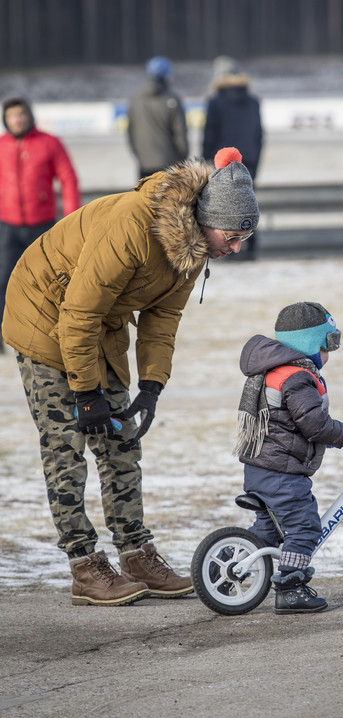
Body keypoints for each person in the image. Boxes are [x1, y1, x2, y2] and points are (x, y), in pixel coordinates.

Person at [2, 146, 259, 606]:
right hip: (44, 315)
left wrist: (152, 386)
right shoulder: (132, 226)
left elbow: (163, 318)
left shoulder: (195, 246)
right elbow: (78, 312)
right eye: (233, 236)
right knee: (67, 444)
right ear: (208, 218)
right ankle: (84, 565)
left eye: (244, 238)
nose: (236, 248)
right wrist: (85, 393)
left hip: (98, 324)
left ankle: (136, 553)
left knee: (121, 442)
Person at [234, 301, 343, 614]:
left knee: (268, 531)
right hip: (281, 473)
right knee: (305, 527)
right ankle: (291, 588)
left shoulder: (274, 370)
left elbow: (296, 422)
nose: (330, 354)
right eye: (328, 344)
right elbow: (314, 423)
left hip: (260, 468)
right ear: (309, 344)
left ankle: (232, 570)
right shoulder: (297, 377)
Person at [0, 94, 80, 351]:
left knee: (49, 282)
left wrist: (69, 219)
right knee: (4, 280)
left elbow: (68, 180)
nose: (17, 119)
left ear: (29, 116)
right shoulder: (1, 145)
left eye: (21, 114)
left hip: (42, 225)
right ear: (6, 119)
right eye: (12, 115)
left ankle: (51, 333)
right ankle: (4, 334)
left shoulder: (49, 143)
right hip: (7, 225)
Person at [202, 56, 263, 261]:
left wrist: (206, 160)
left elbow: (209, 134)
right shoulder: (253, 101)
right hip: (249, 161)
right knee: (248, 204)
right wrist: (256, 160)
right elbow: (259, 135)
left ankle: (228, 249)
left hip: (222, 162)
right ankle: (251, 248)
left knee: (226, 208)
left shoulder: (215, 102)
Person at [127, 56, 189, 179]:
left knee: (145, 197)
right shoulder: (172, 99)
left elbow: (130, 132)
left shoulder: (135, 99)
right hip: (170, 164)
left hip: (144, 162)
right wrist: (182, 158)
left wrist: (139, 155)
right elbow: (180, 133)